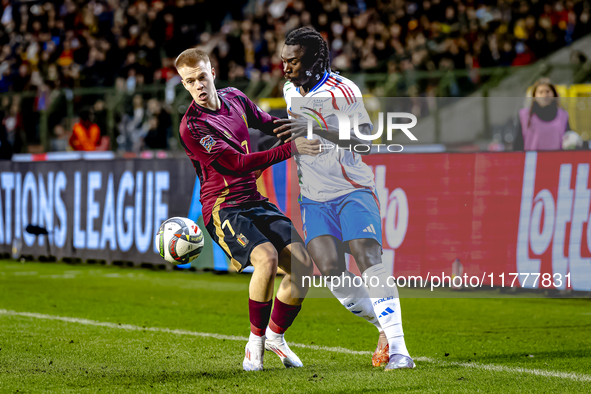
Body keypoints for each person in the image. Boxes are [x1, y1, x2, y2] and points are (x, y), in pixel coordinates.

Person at [273, 27, 415, 370]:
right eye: (283, 61)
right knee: (332, 271)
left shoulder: (344, 90)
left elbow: (365, 142)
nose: (286, 68)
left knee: (367, 257)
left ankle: (400, 351)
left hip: (352, 189)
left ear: (312, 60)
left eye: (293, 61)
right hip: (314, 197)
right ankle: (384, 327)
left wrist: (318, 130)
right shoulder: (290, 90)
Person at [174, 48, 318, 372]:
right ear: (184, 85)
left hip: (253, 199)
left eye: (201, 76)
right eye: (189, 81)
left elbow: (267, 123)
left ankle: (276, 337)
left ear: (212, 71)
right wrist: (291, 149)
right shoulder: (192, 127)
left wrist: (300, 127)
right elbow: (237, 164)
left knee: (303, 268)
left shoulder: (236, 98)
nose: (198, 85)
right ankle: (254, 345)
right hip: (223, 207)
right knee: (265, 259)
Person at [514, 78, 570, 151]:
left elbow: (569, 139)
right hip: (532, 160)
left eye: (547, 91)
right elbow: (518, 144)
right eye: (541, 92)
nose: (544, 95)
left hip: (556, 160)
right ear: (534, 96)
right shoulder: (524, 116)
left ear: (554, 94)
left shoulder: (563, 115)